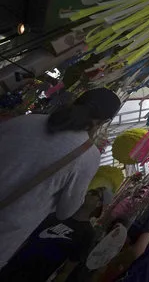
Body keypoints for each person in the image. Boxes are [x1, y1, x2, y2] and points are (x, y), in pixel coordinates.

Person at [0, 87, 121, 268]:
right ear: (104, 121)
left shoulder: (26, 120)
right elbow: (66, 211)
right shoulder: (87, 155)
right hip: (7, 229)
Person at [0, 186, 111, 282]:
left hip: (34, 277)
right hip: (12, 266)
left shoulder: (87, 233)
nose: (88, 193)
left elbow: (67, 269)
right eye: (90, 190)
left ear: (99, 204)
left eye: (94, 193)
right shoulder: (58, 214)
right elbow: (27, 240)